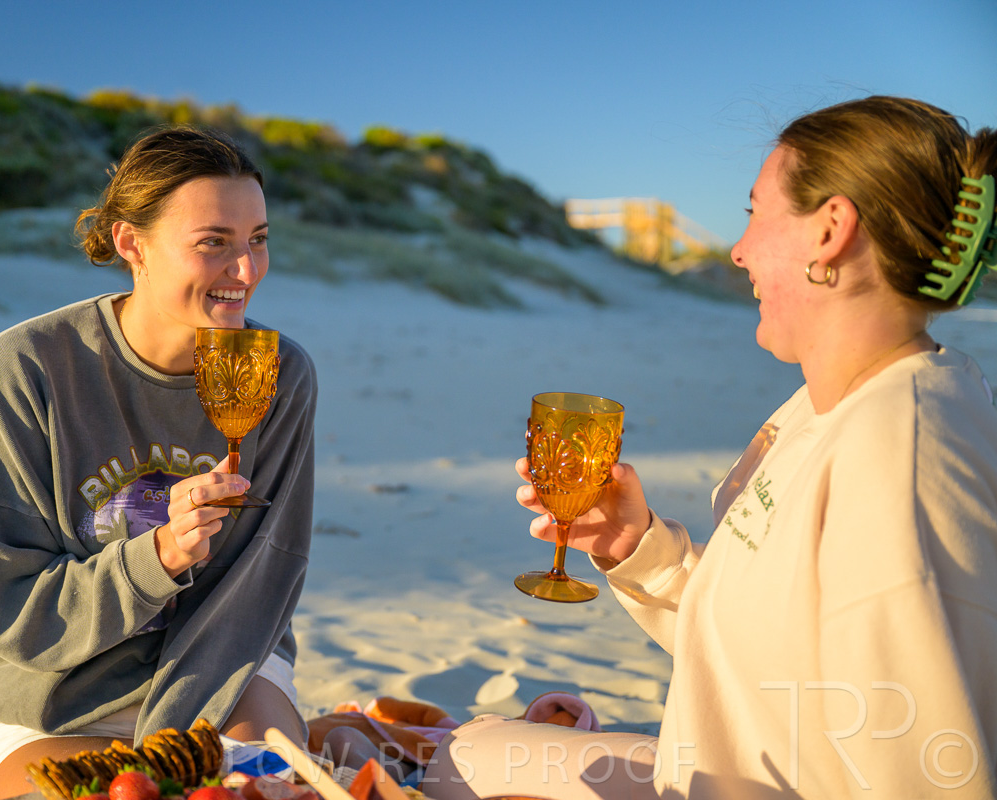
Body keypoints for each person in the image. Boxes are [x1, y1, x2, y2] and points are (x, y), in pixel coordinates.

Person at [421, 96, 997, 798]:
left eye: (756, 213)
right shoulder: (832, 407)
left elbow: (931, 771)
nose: (737, 249)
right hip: (726, 767)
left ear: (830, 231)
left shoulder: (896, 459)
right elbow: (769, 649)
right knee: (462, 753)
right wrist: (639, 549)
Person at [0, 127, 317, 800]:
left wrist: (181, 742)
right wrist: (161, 556)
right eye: (213, 242)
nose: (246, 271)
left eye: (258, 239)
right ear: (131, 244)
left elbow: (263, 578)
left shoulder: (280, 373)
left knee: (262, 791)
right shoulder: (29, 368)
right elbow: (7, 603)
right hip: (51, 695)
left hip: (224, 674)